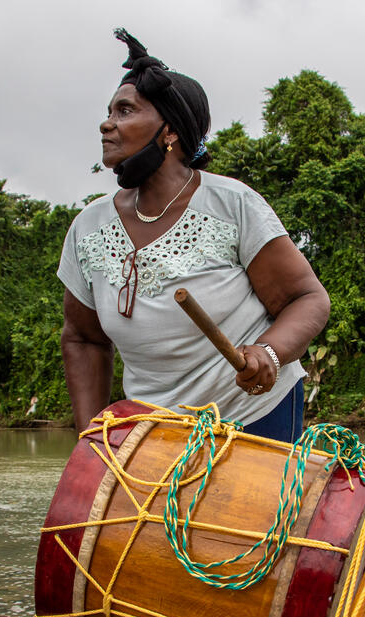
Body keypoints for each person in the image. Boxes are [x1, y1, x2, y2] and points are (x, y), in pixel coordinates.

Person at [58, 29, 330, 443]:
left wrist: (268, 353)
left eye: (125, 111)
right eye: (109, 111)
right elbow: (83, 338)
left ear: (170, 132)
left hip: (252, 415)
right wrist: (93, 441)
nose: (106, 123)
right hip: (151, 432)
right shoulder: (88, 227)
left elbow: (307, 299)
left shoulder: (231, 204)